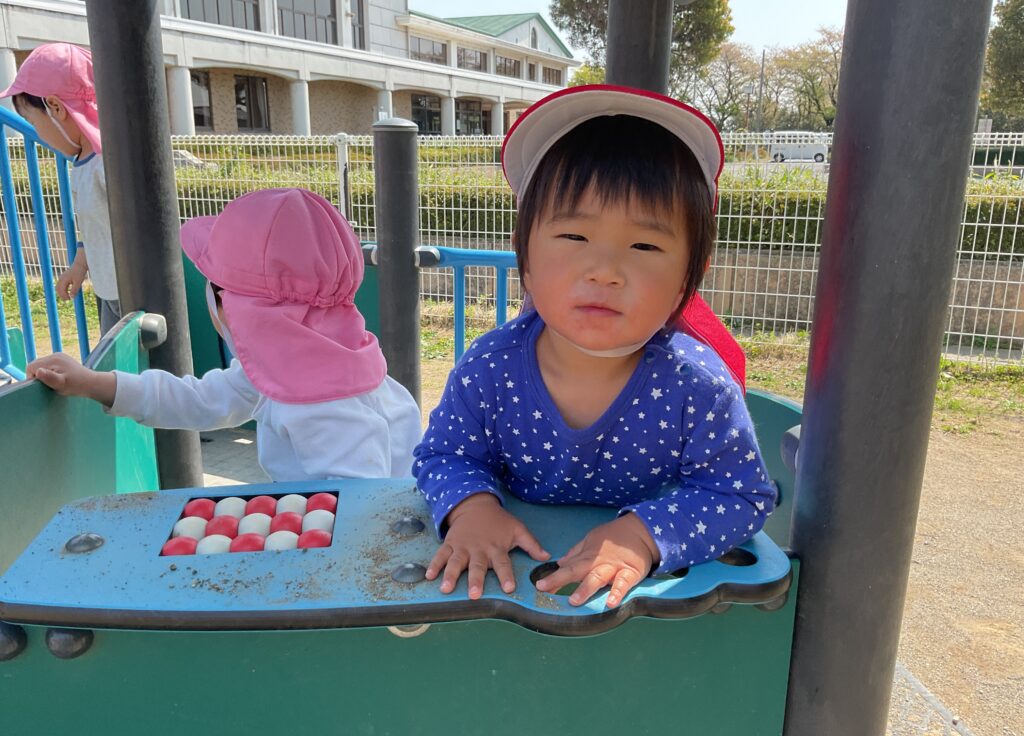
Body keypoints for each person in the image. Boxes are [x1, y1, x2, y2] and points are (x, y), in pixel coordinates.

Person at [413, 85, 776, 610]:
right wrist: (471, 510)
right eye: (574, 237)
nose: (605, 271)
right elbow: (445, 453)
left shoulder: (698, 388)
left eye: (645, 245)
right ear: (524, 255)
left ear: (688, 278)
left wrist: (644, 535)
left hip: (645, 611)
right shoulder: (489, 370)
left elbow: (740, 494)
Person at [27, 187, 422, 482]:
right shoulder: (289, 368)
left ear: (234, 311)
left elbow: (362, 513)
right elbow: (198, 400)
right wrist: (93, 383)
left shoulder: (324, 403)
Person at [1, 43, 122, 336]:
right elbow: (94, 227)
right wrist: (79, 265)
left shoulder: (109, 164)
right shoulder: (81, 163)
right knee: (113, 359)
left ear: (56, 108)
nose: (37, 132)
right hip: (108, 291)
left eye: (33, 121)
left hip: (135, 294)